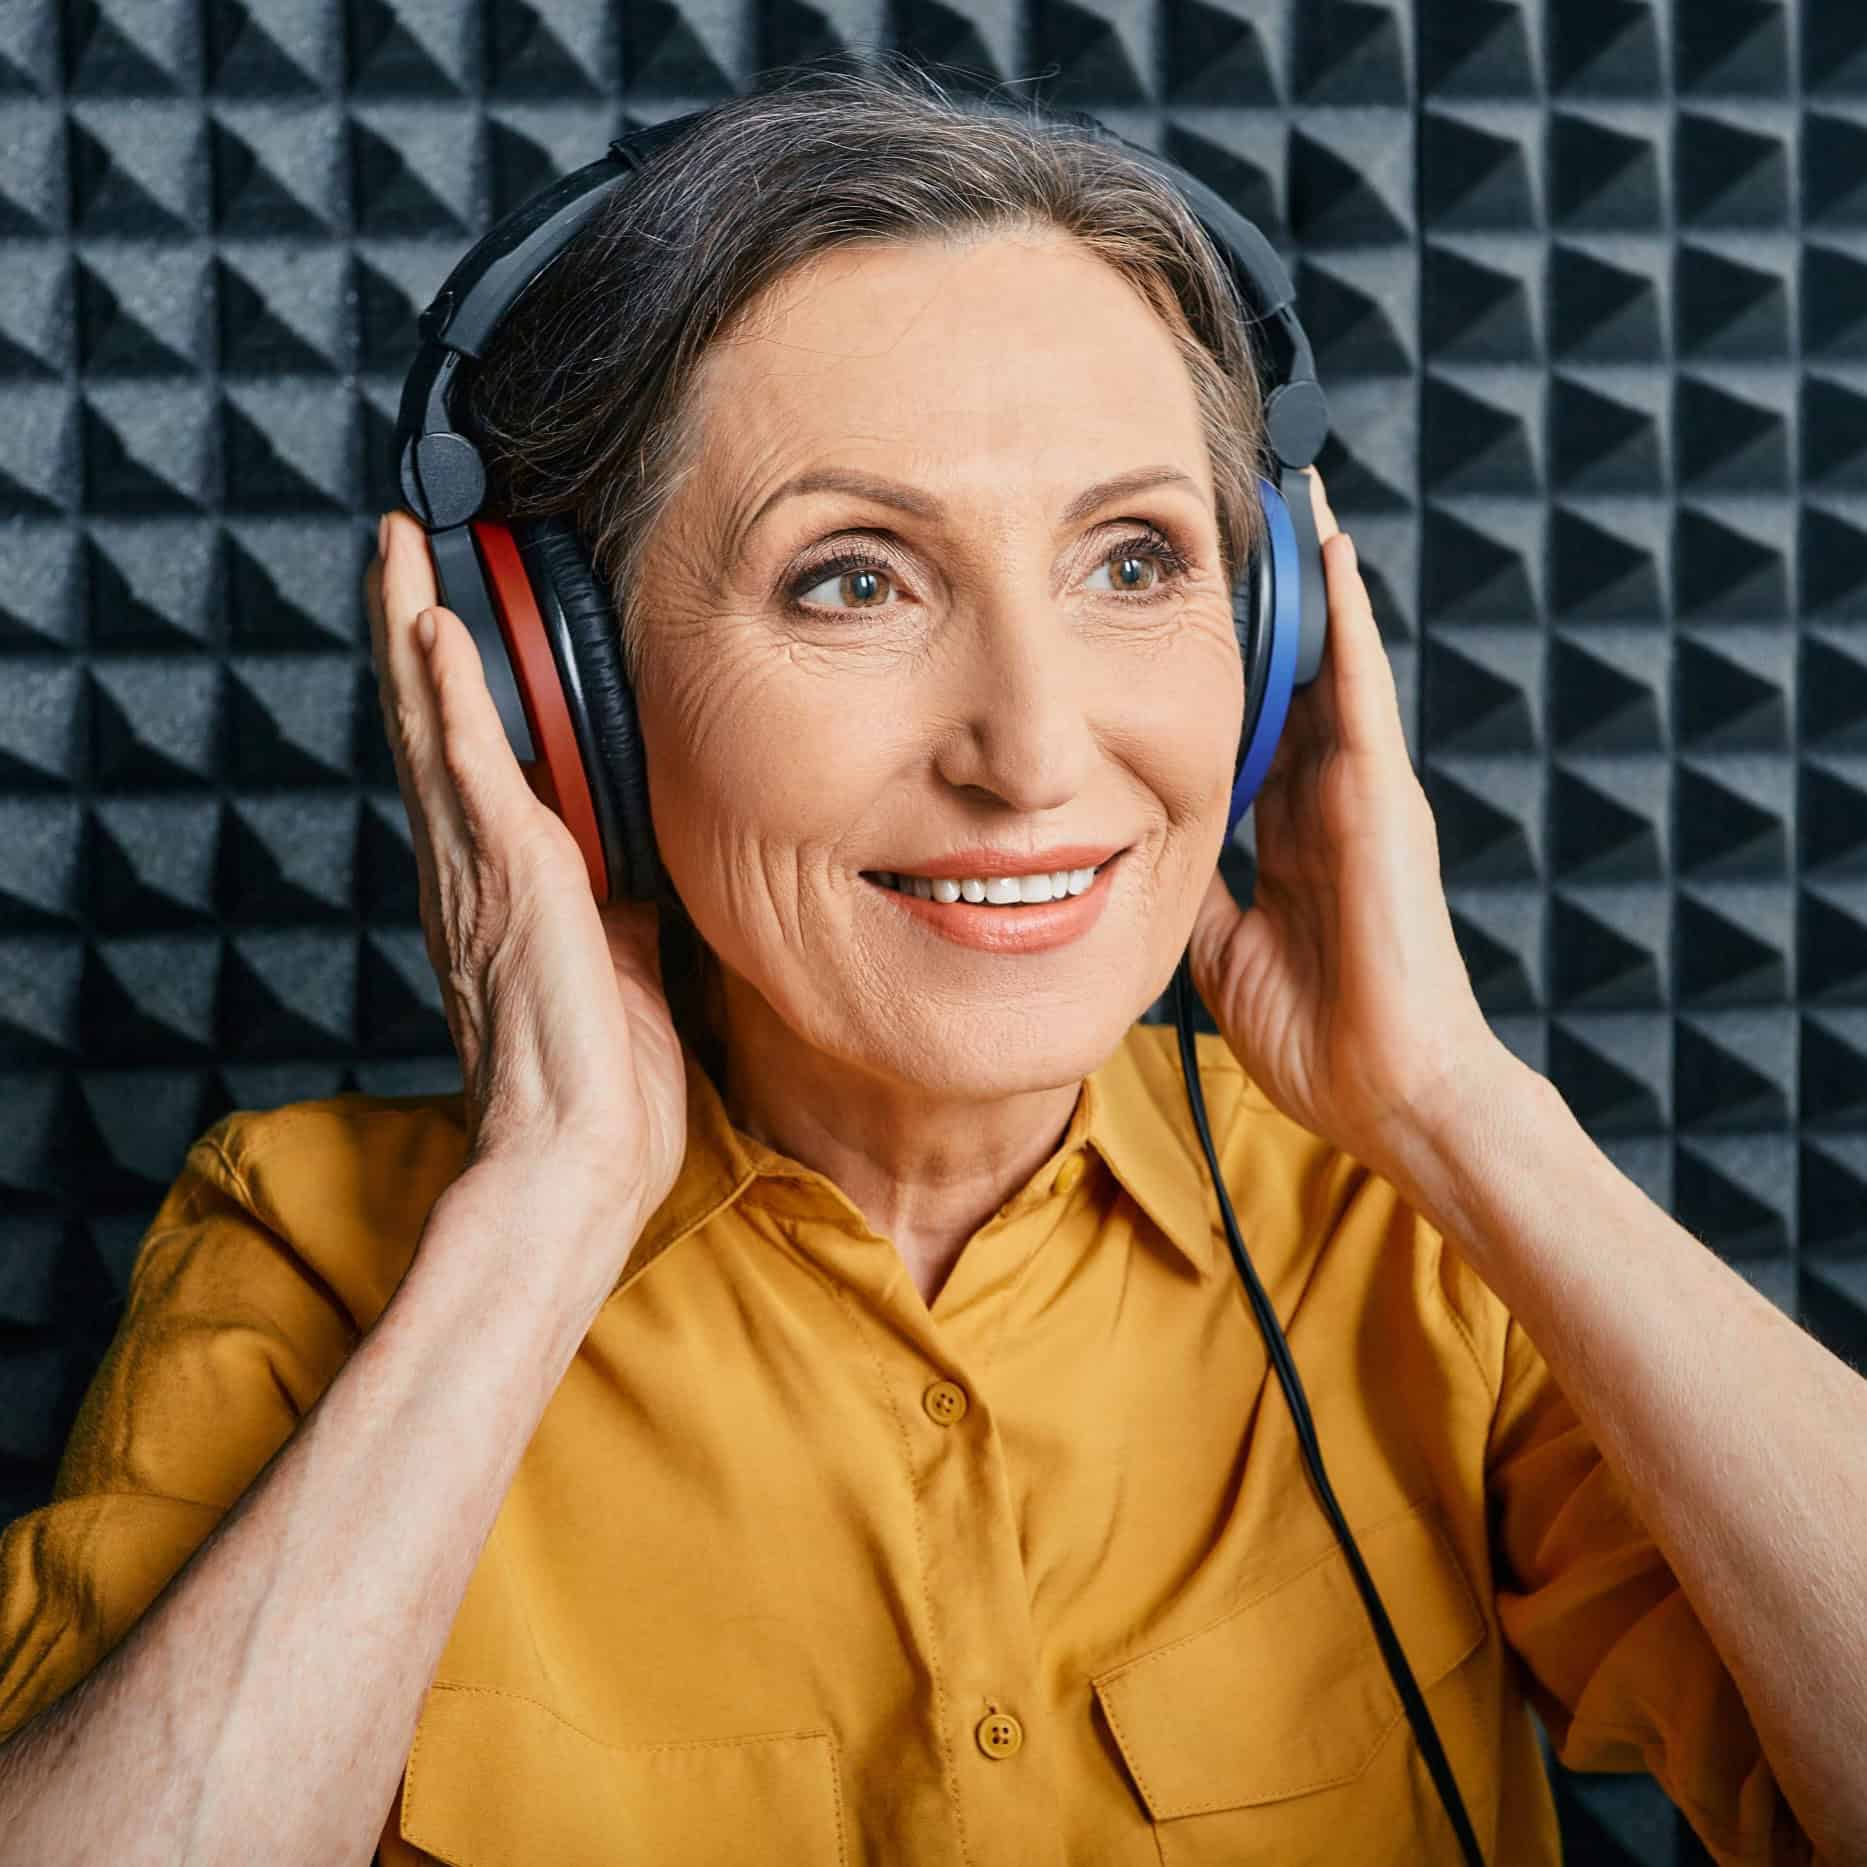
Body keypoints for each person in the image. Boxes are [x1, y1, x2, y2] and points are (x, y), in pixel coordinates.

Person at [0, 59, 1858, 1867]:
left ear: (1280, 638)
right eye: (854, 578)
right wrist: (546, 1214)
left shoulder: (1413, 1248)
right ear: (559, 701)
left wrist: (1464, 1118)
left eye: (1134, 560)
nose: (1033, 754)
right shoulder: (317, 1260)